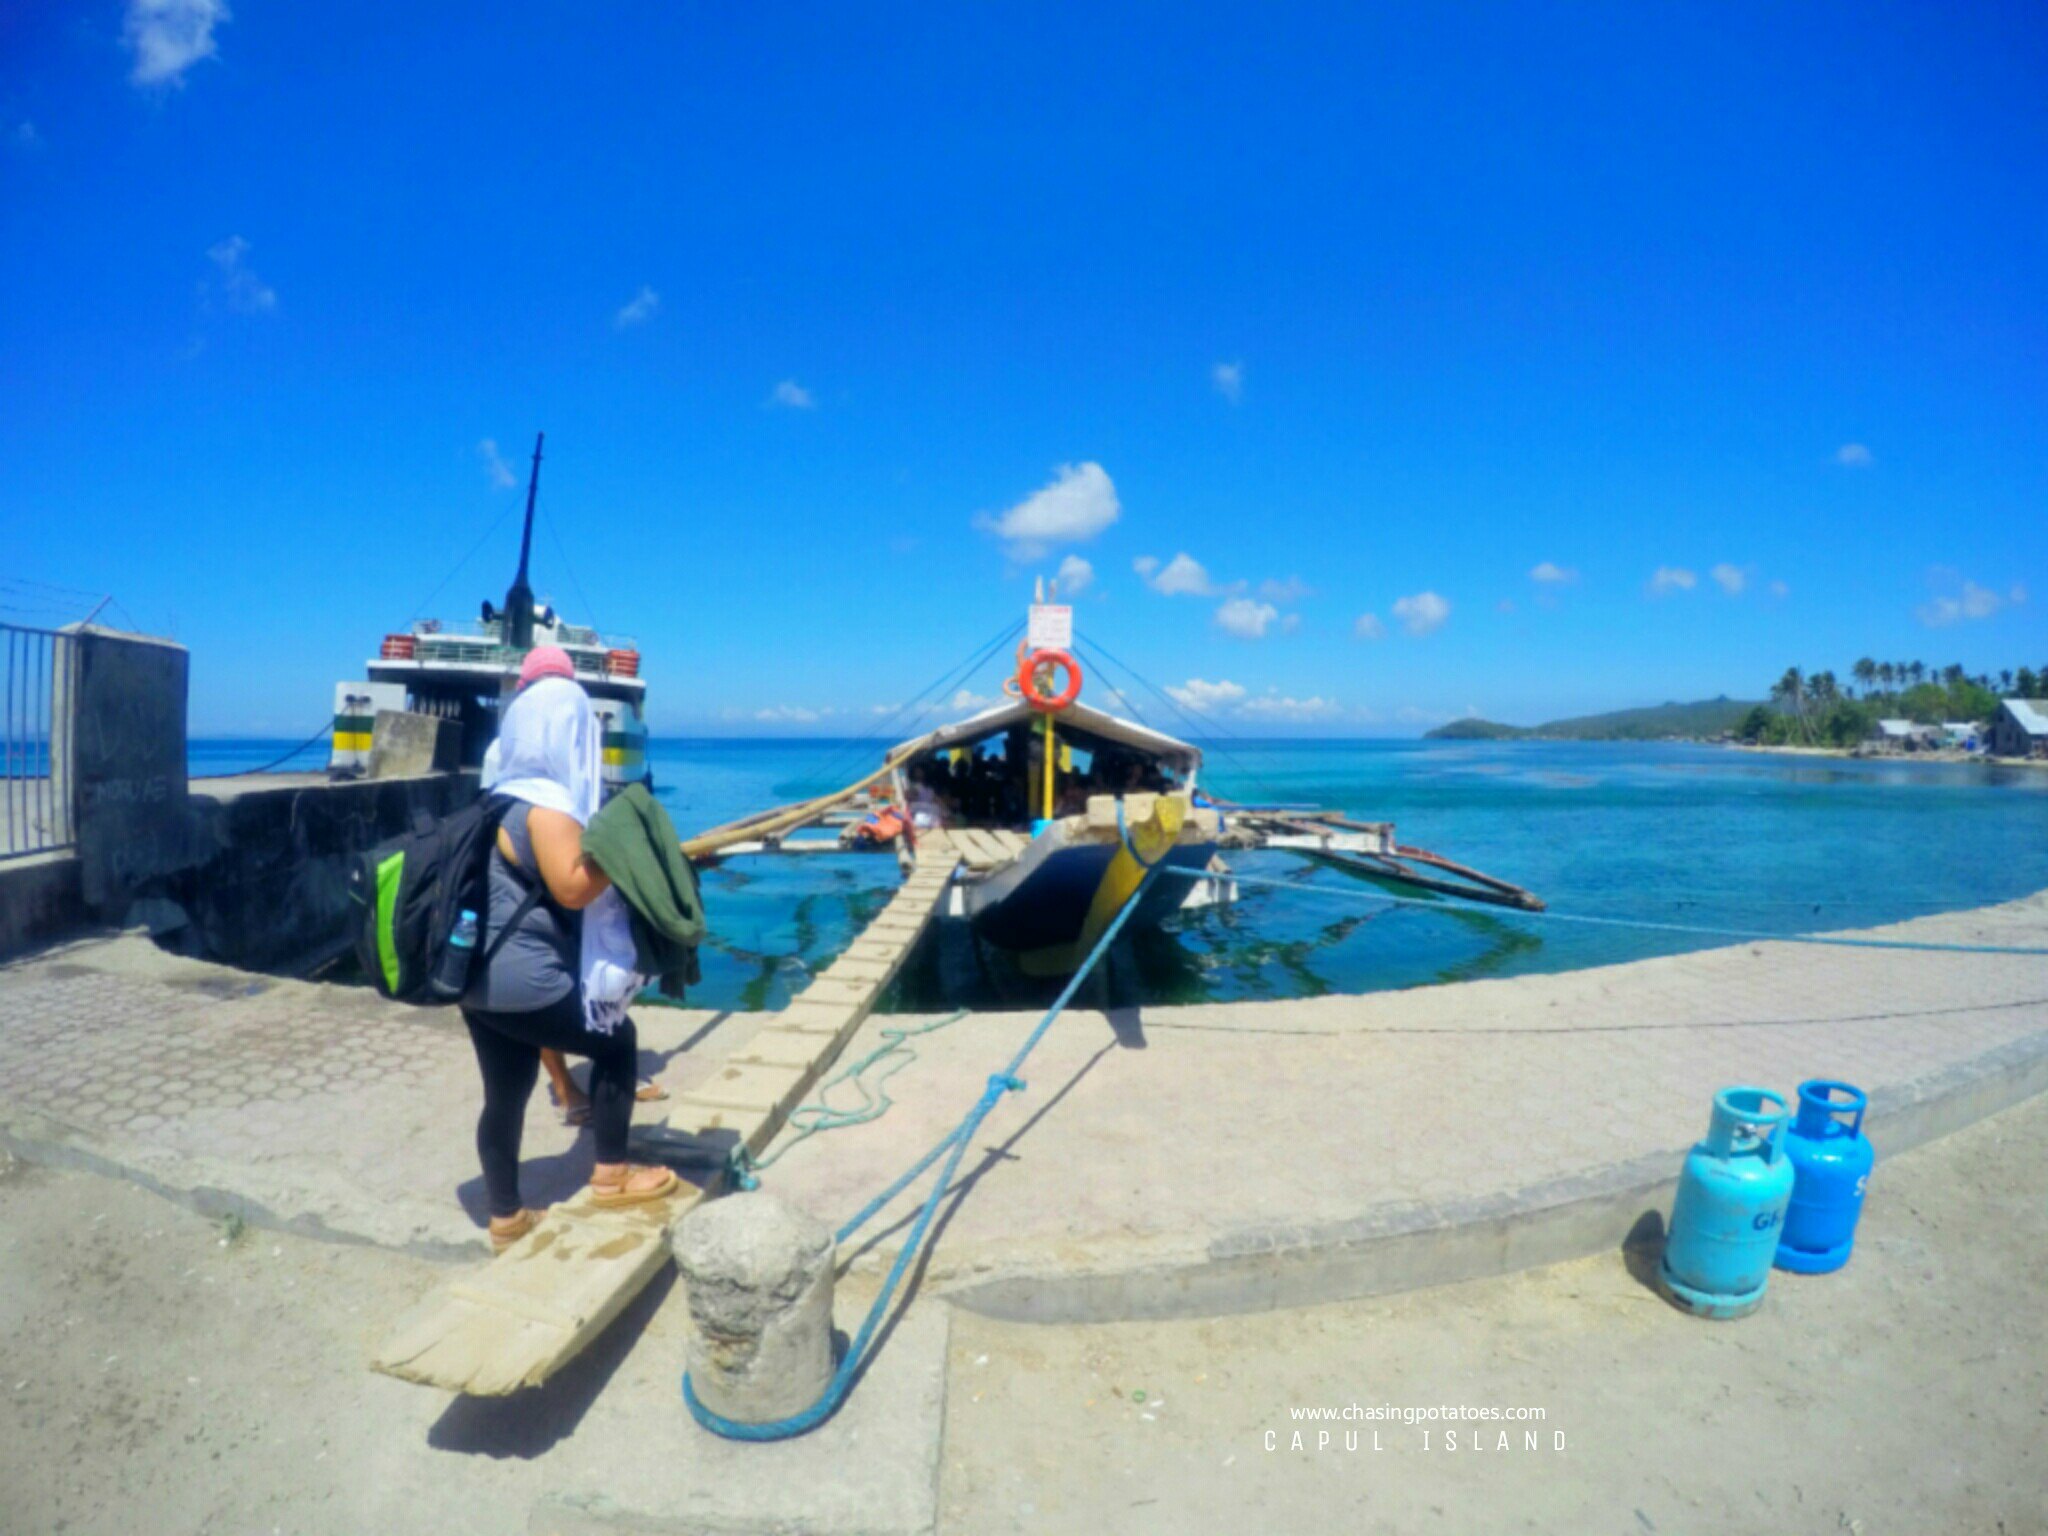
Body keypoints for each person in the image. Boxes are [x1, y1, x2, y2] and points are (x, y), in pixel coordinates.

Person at [463, 647, 677, 1251]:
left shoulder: (497, 797)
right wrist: (626, 854)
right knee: (618, 1042)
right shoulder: (548, 807)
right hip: (524, 978)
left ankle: (506, 1216)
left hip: (475, 979)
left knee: (505, 1095)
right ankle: (611, 1174)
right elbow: (574, 889)